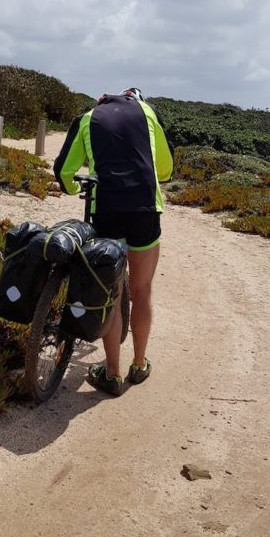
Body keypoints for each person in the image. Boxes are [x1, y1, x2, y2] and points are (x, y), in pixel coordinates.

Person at [53, 87, 173, 396]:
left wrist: (70, 188)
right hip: (145, 209)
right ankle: (139, 364)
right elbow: (166, 169)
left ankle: (113, 374)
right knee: (142, 291)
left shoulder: (88, 118)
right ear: (135, 100)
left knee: (113, 293)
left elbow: (64, 171)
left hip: (106, 210)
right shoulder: (148, 113)